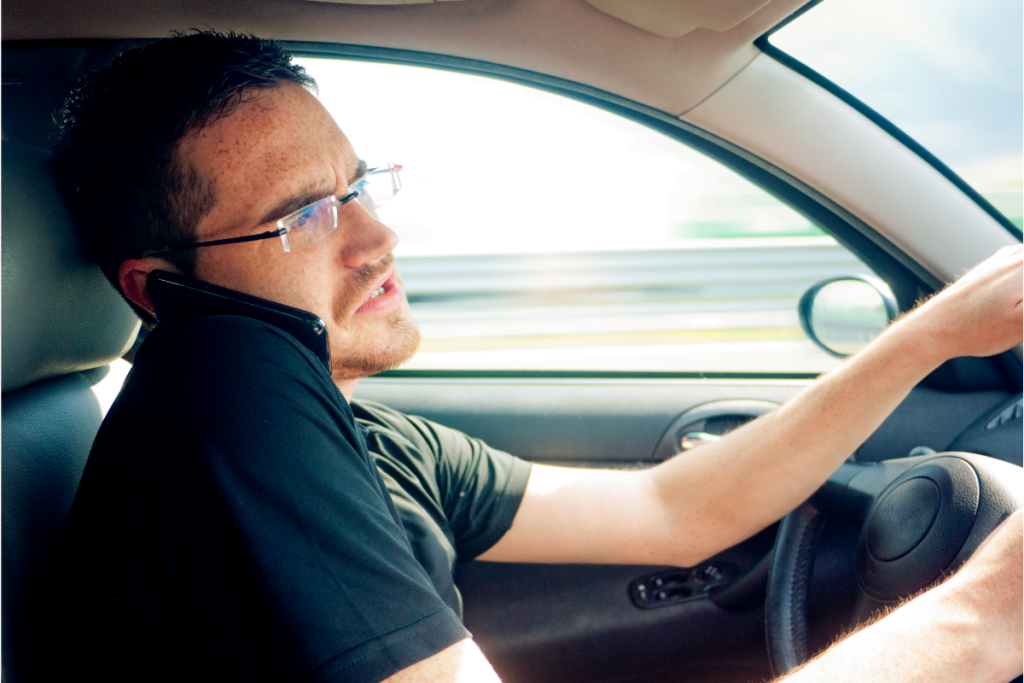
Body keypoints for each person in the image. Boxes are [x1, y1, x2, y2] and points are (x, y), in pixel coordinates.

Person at [36, 31, 1022, 683]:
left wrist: (932, 333)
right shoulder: (222, 390)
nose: (375, 236)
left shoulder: (347, 430)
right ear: (158, 290)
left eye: (359, 184)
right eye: (303, 215)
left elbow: (673, 512)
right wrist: (986, 612)